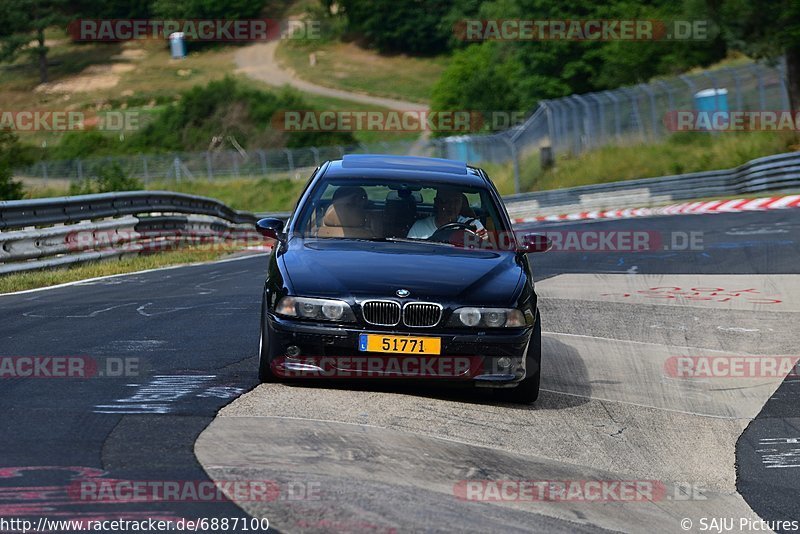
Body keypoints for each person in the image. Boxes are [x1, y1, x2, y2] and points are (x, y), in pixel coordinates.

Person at [407, 187, 487, 240]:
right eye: (447, 201)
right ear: (437, 203)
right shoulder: (419, 228)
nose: (452, 206)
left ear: (461, 203)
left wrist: (484, 238)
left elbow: (481, 253)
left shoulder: (472, 226)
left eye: (456, 202)